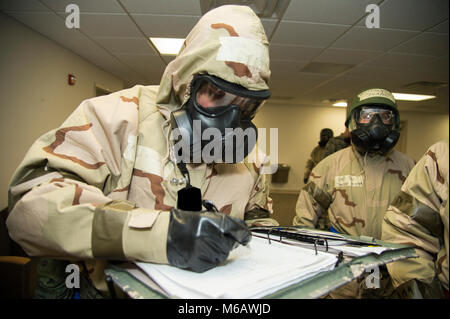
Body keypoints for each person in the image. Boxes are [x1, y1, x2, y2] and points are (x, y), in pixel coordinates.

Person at [6, 5, 278, 298]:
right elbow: (27, 210)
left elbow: (257, 221)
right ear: (186, 82)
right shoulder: (115, 118)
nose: (228, 118)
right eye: (216, 93)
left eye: (245, 104)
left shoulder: (253, 159)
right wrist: (163, 236)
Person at [293, 88, 416, 298]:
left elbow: (423, 226)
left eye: (385, 116)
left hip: (391, 269)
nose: (376, 123)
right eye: (367, 115)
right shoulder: (330, 167)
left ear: (393, 121)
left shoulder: (409, 167)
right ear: (353, 122)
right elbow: (304, 223)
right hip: (343, 268)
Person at [382, 140, 448, 299]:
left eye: (386, 116)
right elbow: (408, 228)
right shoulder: (440, 158)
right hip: (359, 263)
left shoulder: (408, 162)